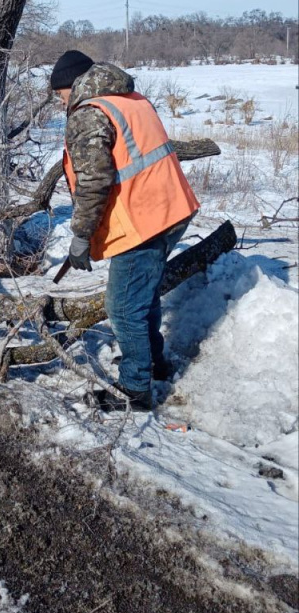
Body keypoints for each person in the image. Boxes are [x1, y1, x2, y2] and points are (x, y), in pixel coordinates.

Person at [50, 49, 199, 411]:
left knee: (121, 307)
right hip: (172, 207)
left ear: (72, 85)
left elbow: (94, 181)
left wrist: (81, 235)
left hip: (145, 219)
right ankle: (154, 364)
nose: (60, 102)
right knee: (142, 297)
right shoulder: (130, 98)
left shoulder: (90, 113)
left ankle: (135, 389)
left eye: (59, 94)